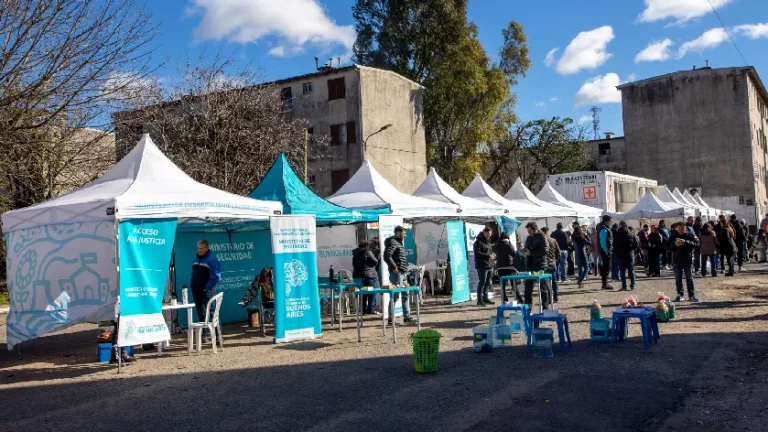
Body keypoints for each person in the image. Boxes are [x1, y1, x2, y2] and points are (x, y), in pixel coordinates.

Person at [384, 226, 415, 322]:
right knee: (395, 295)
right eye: (403, 233)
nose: (405, 235)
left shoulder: (398, 242)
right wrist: (394, 267)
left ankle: (407, 316)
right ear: (398, 233)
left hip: (403, 272)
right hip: (397, 274)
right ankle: (391, 318)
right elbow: (386, 256)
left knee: (405, 294)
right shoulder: (393, 242)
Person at [191, 240, 221, 339]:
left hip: (207, 291)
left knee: (213, 313)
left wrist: (206, 288)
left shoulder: (212, 259)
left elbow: (216, 277)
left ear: (207, 248)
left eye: (201, 248)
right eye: (198, 248)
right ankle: (203, 336)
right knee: (201, 314)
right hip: (196, 290)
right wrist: (193, 285)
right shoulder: (195, 258)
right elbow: (194, 274)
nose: (199, 250)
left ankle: (218, 337)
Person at [523, 222, 552, 309]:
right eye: (527, 230)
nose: (528, 232)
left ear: (534, 229)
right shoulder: (529, 237)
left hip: (541, 265)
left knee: (543, 288)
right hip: (530, 265)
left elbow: (545, 250)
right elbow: (527, 248)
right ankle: (528, 308)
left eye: (529, 230)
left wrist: (531, 253)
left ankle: (545, 308)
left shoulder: (542, 236)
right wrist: (524, 250)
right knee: (528, 288)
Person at [669, 222, 700, 302]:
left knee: (689, 278)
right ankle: (680, 295)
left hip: (688, 260)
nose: (681, 230)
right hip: (677, 260)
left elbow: (697, 244)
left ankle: (691, 295)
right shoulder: (673, 236)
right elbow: (667, 247)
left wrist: (686, 242)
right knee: (678, 279)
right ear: (676, 228)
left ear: (685, 228)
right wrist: (675, 245)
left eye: (683, 229)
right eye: (679, 229)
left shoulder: (690, 235)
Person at [352, 239, 379, 314]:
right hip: (368, 275)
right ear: (367, 245)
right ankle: (370, 309)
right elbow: (375, 261)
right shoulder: (367, 251)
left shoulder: (355, 253)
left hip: (358, 276)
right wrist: (370, 265)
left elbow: (353, 264)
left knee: (364, 292)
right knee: (373, 291)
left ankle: (363, 310)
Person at [472, 227, 495, 306]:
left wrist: (493, 256)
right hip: (482, 265)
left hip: (489, 265)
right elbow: (477, 253)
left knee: (488, 282)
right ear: (484, 232)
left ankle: (485, 298)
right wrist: (488, 256)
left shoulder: (487, 242)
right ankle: (479, 300)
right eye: (488, 233)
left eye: (490, 234)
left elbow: (490, 252)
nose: (489, 235)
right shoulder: (478, 242)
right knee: (482, 282)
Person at [613, 221, 638, 291]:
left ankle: (624, 286)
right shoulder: (631, 234)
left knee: (622, 272)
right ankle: (632, 285)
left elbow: (614, 246)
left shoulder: (616, 235)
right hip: (630, 255)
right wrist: (632, 251)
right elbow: (636, 245)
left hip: (620, 256)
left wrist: (617, 253)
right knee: (631, 270)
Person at [495, 232, 517, 303]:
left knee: (502, 283)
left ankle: (504, 298)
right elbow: (513, 254)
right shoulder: (508, 244)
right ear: (507, 237)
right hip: (509, 265)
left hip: (500, 266)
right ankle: (518, 297)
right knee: (513, 282)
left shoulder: (497, 244)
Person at [541, 227, 560, 303]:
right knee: (554, 281)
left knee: (546, 281)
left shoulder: (542, 241)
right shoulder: (553, 240)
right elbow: (558, 252)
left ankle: (549, 298)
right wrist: (555, 259)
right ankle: (556, 296)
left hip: (545, 263)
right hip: (553, 262)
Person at [596, 215, 614, 290]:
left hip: (604, 251)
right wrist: (607, 251)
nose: (611, 222)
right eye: (611, 220)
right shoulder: (604, 229)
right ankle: (604, 284)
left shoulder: (603, 227)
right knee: (606, 268)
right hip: (605, 251)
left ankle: (605, 283)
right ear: (607, 221)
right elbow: (603, 242)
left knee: (605, 267)